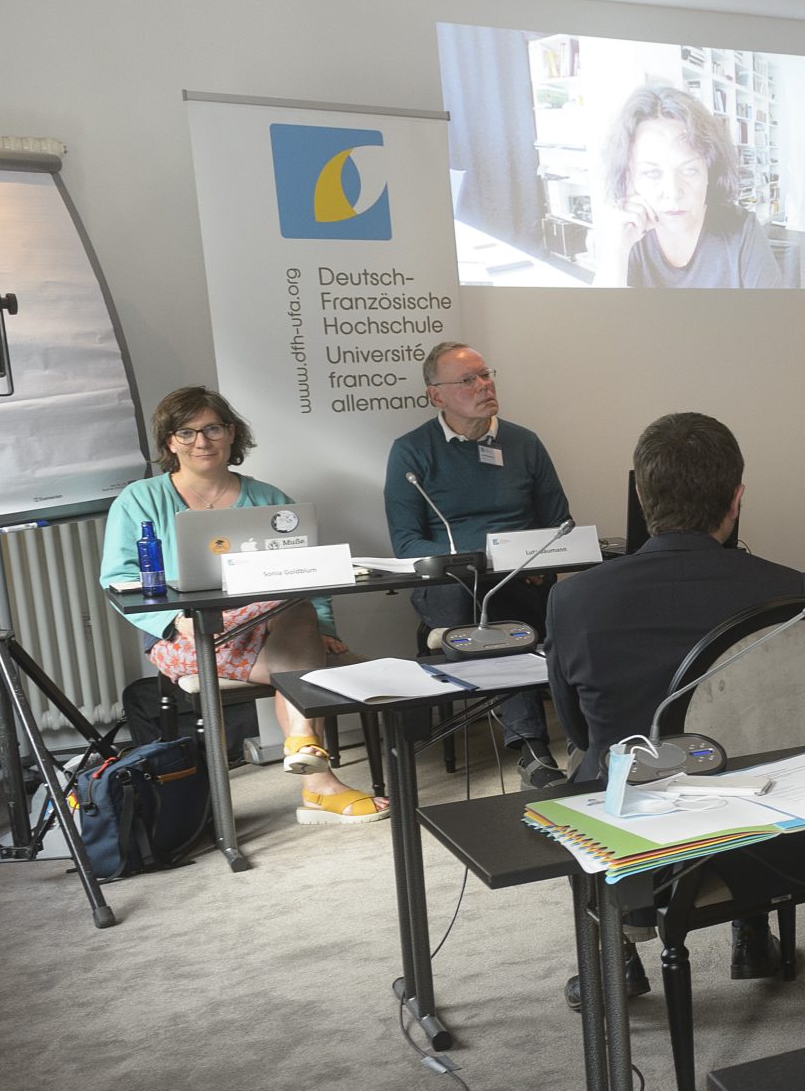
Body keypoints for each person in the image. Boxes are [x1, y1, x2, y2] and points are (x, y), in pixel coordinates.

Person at [545, 412, 805, 1007]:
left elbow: (577, 727)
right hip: (762, 814)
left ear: (641, 496)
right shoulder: (790, 590)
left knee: (590, 758)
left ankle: (616, 957)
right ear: (736, 500)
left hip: (642, 823)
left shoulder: (574, 598)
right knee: (757, 740)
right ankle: (751, 933)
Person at [101, 387, 386, 824]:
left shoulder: (270, 498)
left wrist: (326, 627)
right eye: (186, 432)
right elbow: (117, 579)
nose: (201, 441)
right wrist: (171, 619)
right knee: (301, 646)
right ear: (170, 441)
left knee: (295, 606)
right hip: (189, 631)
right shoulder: (140, 499)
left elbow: (309, 574)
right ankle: (316, 776)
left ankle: (311, 760)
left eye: (213, 429)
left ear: (231, 433)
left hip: (273, 625)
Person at [382, 341, 572, 788]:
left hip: (522, 578)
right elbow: (406, 542)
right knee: (494, 613)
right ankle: (533, 749)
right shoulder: (411, 451)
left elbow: (560, 522)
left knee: (515, 607)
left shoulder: (524, 443)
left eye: (486, 375)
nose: (484, 385)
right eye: (468, 379)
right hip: (451, 585)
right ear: (436, 395)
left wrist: (534, 562)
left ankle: (578, 739)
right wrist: (484, 556)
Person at [588, 84, 786, 290]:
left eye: (689, 170)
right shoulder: (627, 238)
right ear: (629, 177)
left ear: (709, 171)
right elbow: (604, 311)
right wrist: (617, 249)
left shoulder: (742, 231)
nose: (673, 192)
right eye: (652, 173)